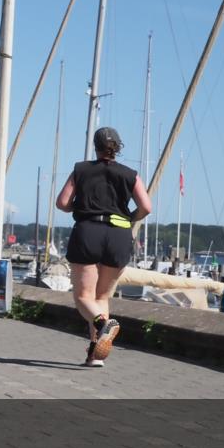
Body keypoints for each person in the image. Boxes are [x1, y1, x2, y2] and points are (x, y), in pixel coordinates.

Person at [55, 127, 152, 367]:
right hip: (119, 234)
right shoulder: (131, 174)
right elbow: (146, 207)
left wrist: (77, 207)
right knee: (101, 296)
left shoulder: (81, 169)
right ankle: (95, 354)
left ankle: (103, 325)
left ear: (95, 147)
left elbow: (63, 203)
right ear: (118, 148)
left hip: (89, 230)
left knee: (83, 297)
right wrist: (130, 217)